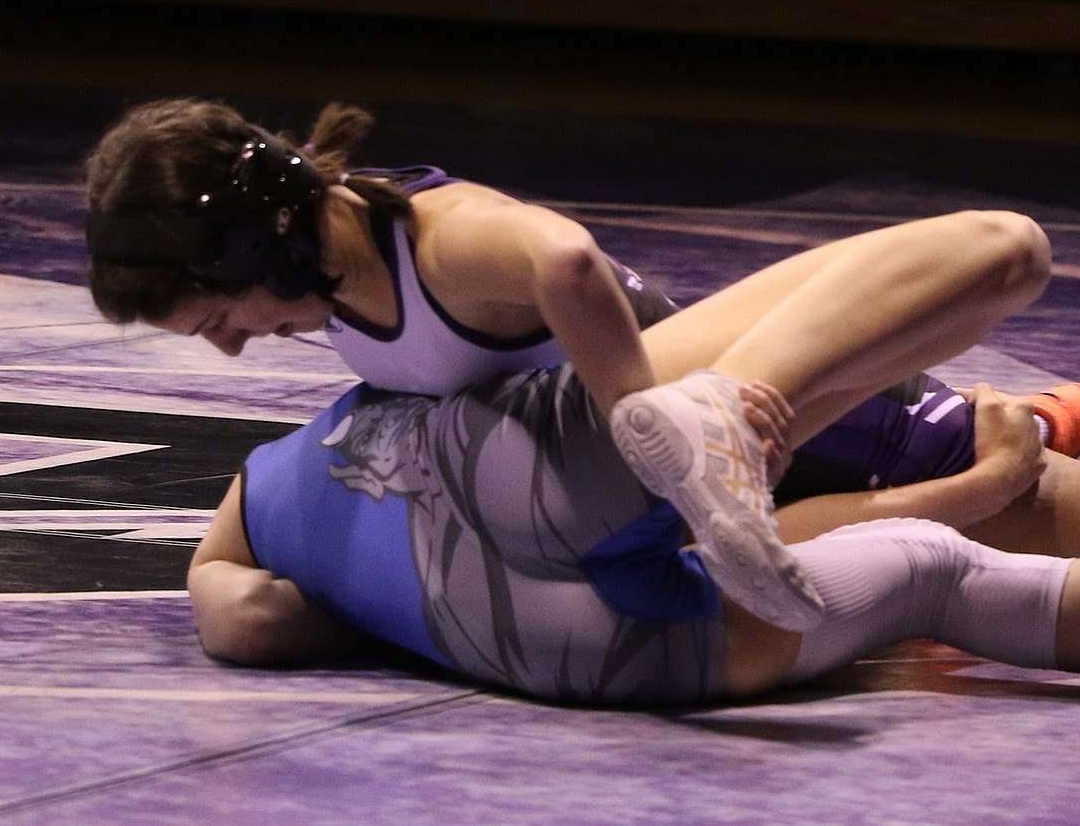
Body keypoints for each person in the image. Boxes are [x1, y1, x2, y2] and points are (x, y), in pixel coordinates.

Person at [85, 98, 1080, 629]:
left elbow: (564, 256)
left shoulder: (437, 241)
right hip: (777, 473)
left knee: (1006, 255)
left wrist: (653, 422)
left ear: (256, 249)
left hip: (861, 438)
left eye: (219, 314)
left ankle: (721, 417)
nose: (229, 344)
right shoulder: (344, 276)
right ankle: (1045, 422)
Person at [186, 366, 1080, 707]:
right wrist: (979, 482)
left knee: (952, 521)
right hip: (684, 436)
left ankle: (1033, 423)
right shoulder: (300, 483)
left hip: (704, 416)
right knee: (954, 518)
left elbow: (243, 614)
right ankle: (1030, 425)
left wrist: (375, 601)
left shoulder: (281, 498)